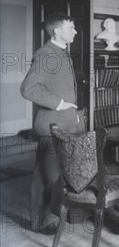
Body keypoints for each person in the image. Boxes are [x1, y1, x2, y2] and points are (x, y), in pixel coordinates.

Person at [21, 13, 81, 234]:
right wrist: (59, 104)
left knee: (58, 172)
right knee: (47, 175)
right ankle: (43, 220)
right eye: (71, 27)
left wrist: (72, 112)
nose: (75, 31)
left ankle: (61, 213)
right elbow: (28, 88)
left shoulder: (62, 54)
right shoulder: (47, 55)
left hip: (66, 125)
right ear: (57, 31)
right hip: (51, 126)